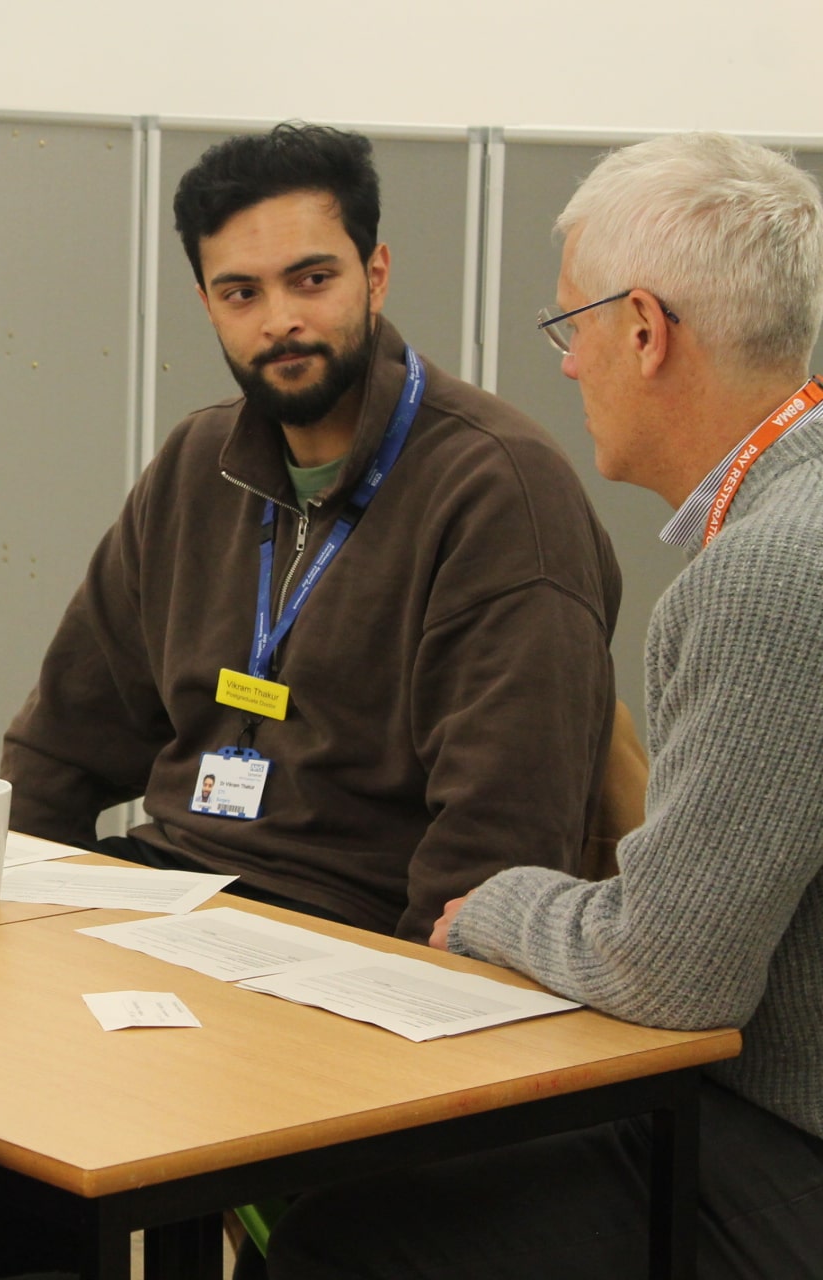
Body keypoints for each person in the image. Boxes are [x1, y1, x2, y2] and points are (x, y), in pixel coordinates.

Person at [261, 132, 823, 1279]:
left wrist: (496, 906)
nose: (567, 367)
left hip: (788, 1140)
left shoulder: (771, 571)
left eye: (572, 327)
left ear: (646, 330)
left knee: (354, 1230)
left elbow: (671, 971)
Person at [1, 123, 622, 946]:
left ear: (376, 275)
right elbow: (60, 747)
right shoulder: (197, 463)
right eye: (242, 293)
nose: (280, 320)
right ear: (207, 304)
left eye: (312, 280)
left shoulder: (496, 489)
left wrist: (415, 996)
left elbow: (502, 838)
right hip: (171, 890)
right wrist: (10, 924)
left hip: (357, 933)